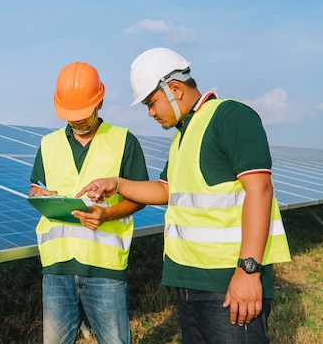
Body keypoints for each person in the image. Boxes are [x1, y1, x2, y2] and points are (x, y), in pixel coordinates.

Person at [77, 48, 291, 344]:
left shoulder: (229, 116)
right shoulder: (184, 134)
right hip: (191, 284)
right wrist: (115, 184)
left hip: (228, 283)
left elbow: (260, 189)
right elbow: (167, 190)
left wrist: (248, 271)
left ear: (174, 89)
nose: (150, 113)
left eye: (151, 103)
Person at [29, 61, 149, 344]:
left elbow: (140, 197)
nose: (77, 120)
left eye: (82, 113)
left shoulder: (123, 141)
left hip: (104, 268)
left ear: (100, 101)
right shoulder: (48, 144)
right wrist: (39, 195)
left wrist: (107, 215)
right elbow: (36, 188)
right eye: (71, 115)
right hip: (56, 267)